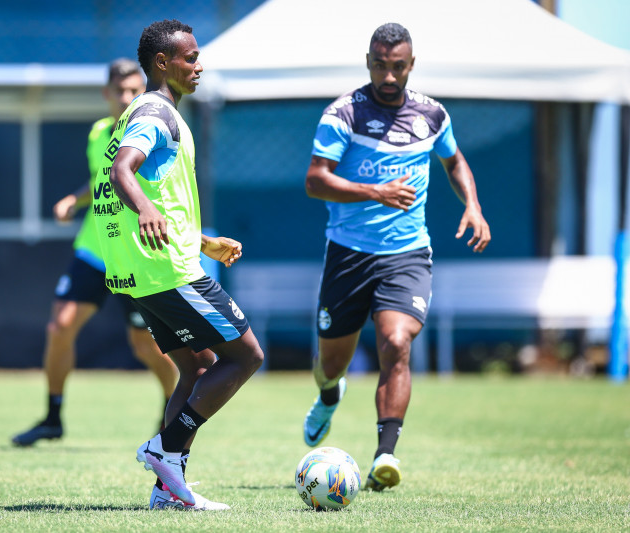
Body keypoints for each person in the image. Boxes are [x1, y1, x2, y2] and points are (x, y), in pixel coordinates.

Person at [301, 22, 491, 492]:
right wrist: (374, 191)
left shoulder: (432, 114)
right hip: (348, 254)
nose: (389, 76)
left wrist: (472, 203)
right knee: (332, 362)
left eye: (398, 67)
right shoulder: (342, 114)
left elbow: (454, 160)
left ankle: (386, 454)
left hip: (406, 254)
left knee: (397, 343)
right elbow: (315, 180)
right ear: (369, 63)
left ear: (411, 65)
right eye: (381, 66)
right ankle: (329, 395)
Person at [92, 19, 265, 510]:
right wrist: (144, 210)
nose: (199, 65)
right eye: (189, 57)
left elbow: (157, 190)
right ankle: (164, 449)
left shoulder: (143, 113)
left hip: (147, 272)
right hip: (168, 271)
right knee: (246, 356)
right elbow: (124, 169)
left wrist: (203, 240)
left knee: (197, 369)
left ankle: (167, 492)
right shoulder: (154, 112)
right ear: (162, 63)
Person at [11, 58, 179, 447]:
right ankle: (53, 418)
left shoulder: (152, 131)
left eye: (134, 91)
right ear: (106, 95)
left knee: (146, 346)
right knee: (59, 327)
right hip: (94, 248)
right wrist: (76, 198)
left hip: (135, 253)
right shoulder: (98, 133)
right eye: (119, 91)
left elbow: (161, 192)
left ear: (145, 93)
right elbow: (104, 179)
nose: (126, 98)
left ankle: (171, 408)